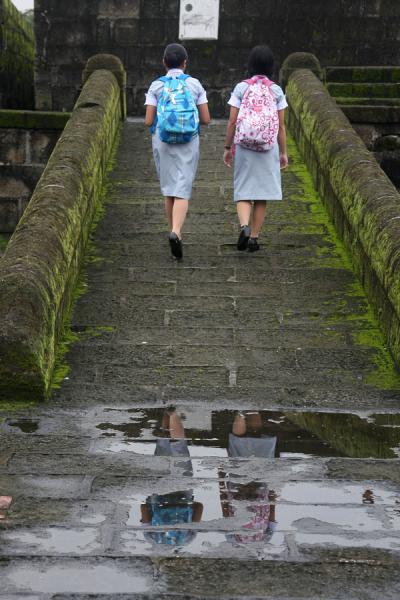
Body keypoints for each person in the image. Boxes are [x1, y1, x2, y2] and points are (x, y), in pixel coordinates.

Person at [145, 43, 211, 260]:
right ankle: (176, 231)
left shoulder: (156, 86)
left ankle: (173, 228)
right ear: (185, 63)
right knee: (183, 187)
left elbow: (148, 120)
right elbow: (206, 119)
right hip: (188, 140)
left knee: (169, 187)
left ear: (164, 62)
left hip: (162, 140)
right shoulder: (194, 84)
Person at [223, 45, 289, 252]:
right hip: (268, 146)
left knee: (243, 189)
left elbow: (232, 121)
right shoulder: (276, 90)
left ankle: (244, 226)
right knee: (261, 193)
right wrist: (283, 152)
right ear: (271, 66)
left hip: (244, 145)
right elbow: (281, 126)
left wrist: (228, 146)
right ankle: (254, 237)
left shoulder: (241, 88)